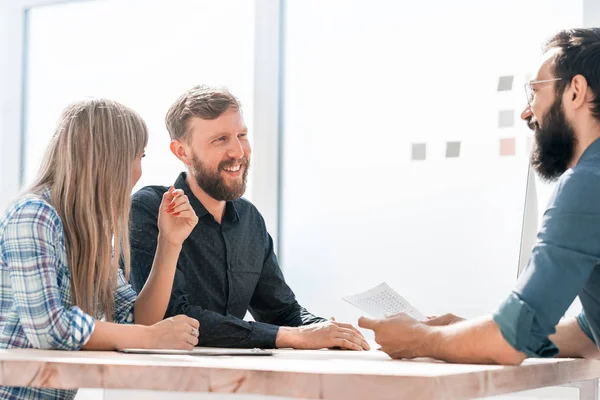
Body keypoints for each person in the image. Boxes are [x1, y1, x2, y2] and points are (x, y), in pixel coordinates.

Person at [359, 28, 600, 364]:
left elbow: (512, 341)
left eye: (535, 91)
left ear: (575, 92)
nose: (527, 112)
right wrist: (464, 332)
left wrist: (422, 339)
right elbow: (592, 334)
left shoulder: (587, 183)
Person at [129, 86, 369, 350]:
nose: (238, 152)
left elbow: (282, 312)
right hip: (161, 384)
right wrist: (291, 336)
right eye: (220, 139)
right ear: (182, 152)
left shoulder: (250, 219)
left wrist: (328, 331)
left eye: (241, 135)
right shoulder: (151, 208)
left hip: (234, 385)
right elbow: (175, 318)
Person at [0, 99, 200, 399]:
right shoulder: (34, 216)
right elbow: (49, 329)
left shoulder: (88, 234)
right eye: (138, 156)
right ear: (110, 159)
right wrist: (151, 338)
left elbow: (136, 319)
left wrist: (169, 243)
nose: (139, 171)